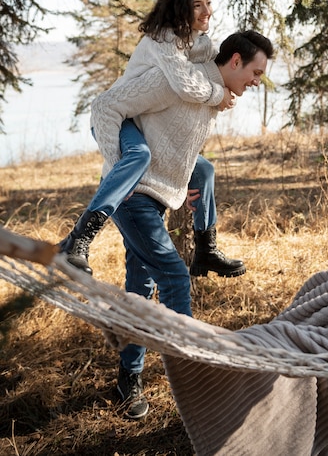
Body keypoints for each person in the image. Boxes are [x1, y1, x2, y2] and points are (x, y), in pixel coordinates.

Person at [110, 29, 274, 419]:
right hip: (133, 198)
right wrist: (122, 173)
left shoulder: (210, 95)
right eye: (256, 72)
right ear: (235, 61)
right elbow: (118, 110)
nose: (256, 81)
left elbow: (173, 143)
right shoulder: (187, 83)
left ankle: (126, 380)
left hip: (155, 195)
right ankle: (195, 380)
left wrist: (182, 183)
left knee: (139, 288)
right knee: (174, 279)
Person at [59, 0, 244, 278]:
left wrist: (184, 180)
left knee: (203, 171)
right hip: (116, 118)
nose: (206, 11)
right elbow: (185, 85)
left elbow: (214, 71)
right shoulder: (163, 38)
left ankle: (206, 248)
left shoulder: (200, 42)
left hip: (143, 123)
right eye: (196, 5)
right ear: (179, 9)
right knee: (139, 156)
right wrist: (219, 95)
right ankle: (80, 238)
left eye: (208, 3)